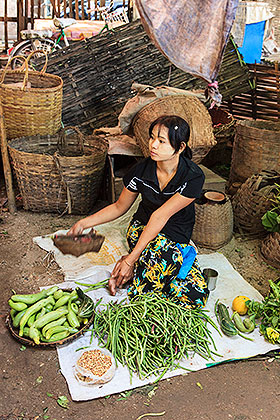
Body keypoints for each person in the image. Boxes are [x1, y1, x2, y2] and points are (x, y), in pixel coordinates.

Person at [68, 115, 209, 308]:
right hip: (142, 228)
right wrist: (83, 223)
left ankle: (133, 271)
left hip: (176, 233)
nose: (153, 145)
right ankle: (140, 291)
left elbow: (160, 215)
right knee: (162, 261)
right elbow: (119, 206)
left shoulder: (192, 176)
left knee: (195, 294)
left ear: (181, 147)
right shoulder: (141, 171)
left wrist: (130, 259)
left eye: (161, 141)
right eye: (152, 138)